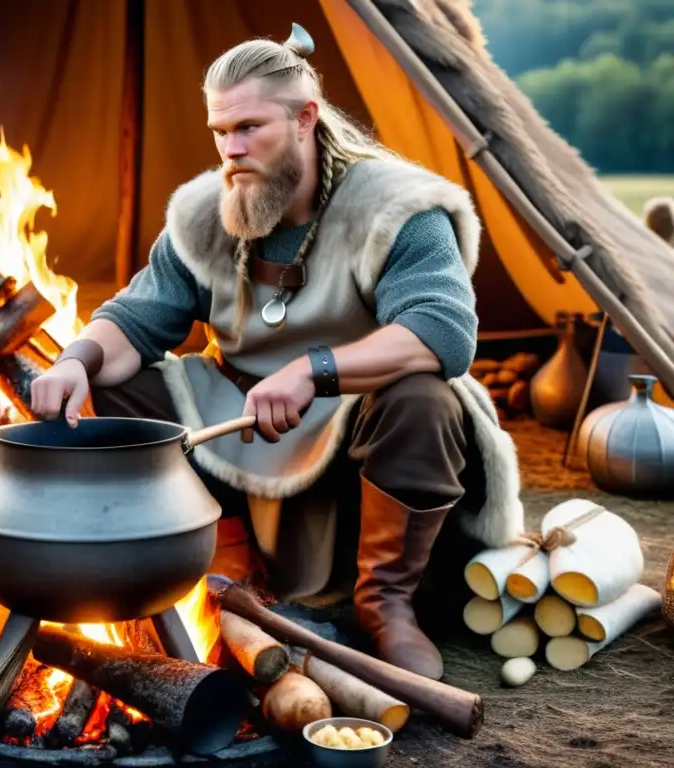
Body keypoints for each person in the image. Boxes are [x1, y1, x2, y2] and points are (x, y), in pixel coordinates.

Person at [30, 23, 524, 680]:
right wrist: (74, 360)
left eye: (249, 128)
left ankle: (385, 603)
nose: (230, 150)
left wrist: (312, 372)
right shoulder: (207, 212)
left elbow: (442, 333)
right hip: (237, 411)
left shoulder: (397, 209)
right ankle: (227, 563)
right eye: (220, 132)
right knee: (115, 386)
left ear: (304, 119)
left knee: (424, 398)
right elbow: (137, 318)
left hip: (354, 416)